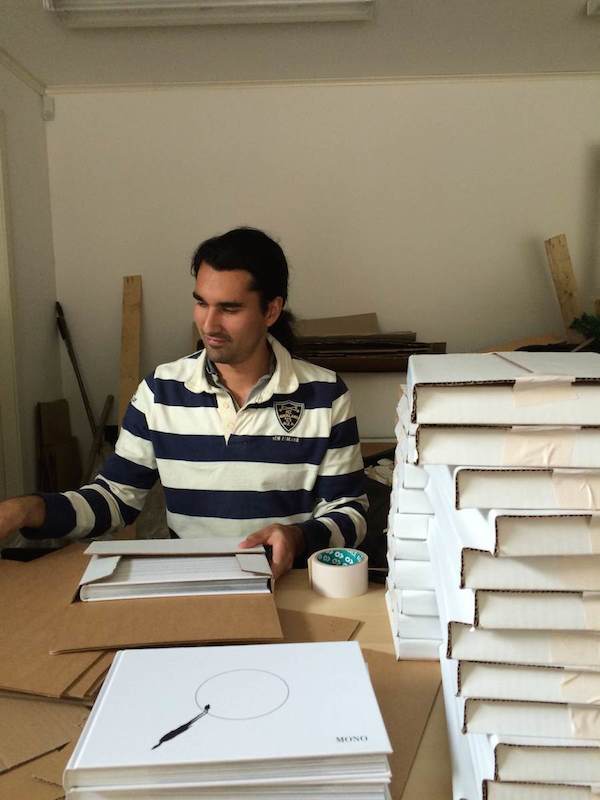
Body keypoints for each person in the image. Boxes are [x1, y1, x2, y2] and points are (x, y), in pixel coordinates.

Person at [0, 227, 368, 577]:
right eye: (201, 303)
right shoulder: (161, 391)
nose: (209, 324)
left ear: (270, 311)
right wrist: (28, 509)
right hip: (191, 584)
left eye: (229, 309)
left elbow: (350, 512)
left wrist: (299, 537)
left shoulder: (324, 394)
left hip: (287, 583)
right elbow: (115, 499)